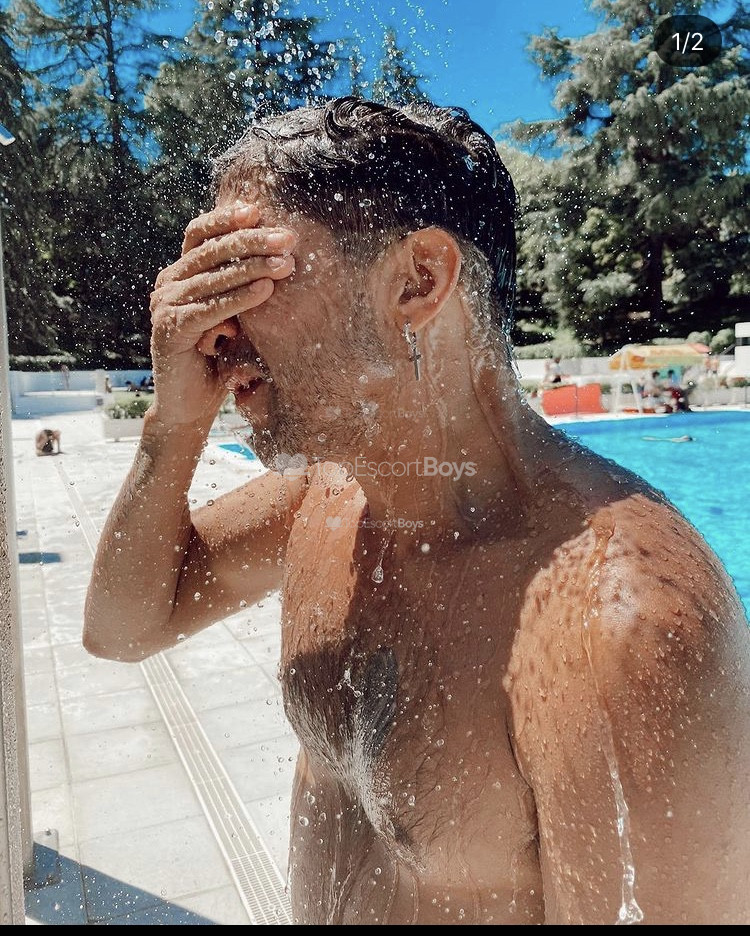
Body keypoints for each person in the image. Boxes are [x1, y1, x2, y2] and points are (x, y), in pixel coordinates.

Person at [83, 98, 750, 925]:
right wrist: (173, 425)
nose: (208, 328)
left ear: (418, 281)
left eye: (243, 273)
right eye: (203, 277)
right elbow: (122, 628)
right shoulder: (322, 499)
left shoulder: (619, 626)